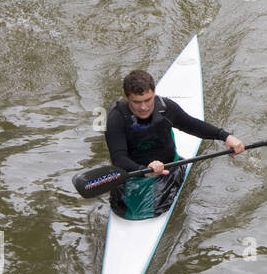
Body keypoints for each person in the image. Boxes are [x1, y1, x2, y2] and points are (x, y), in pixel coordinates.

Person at [104, 70, 243, 220]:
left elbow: (191, 125)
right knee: (135, 212)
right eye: (137, 102)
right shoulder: (116, 118)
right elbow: (118, 158)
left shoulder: (165, 107)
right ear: (127, 98)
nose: (143, 107)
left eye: (148, 100)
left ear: (154, 94)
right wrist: (144, 171)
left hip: (169, 168)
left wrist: (225, 136)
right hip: (135, 175)